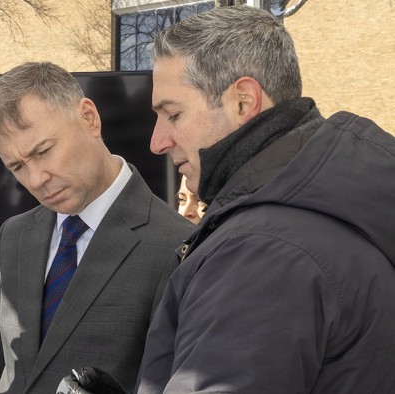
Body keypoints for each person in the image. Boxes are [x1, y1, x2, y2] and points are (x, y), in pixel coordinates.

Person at [139, 5, 395, 393]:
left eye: (172, 114)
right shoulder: (329, 211)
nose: (157, 142)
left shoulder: (260, 253)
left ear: (244, 101)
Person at [0, 62, 193, 393]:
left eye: (44, 150)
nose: (36, 179)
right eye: (17, 166)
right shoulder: (14, 235)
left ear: (89, 118)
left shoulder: (177, 245)